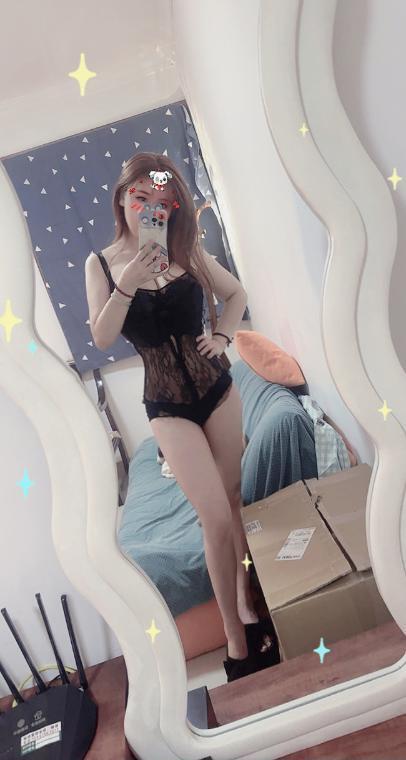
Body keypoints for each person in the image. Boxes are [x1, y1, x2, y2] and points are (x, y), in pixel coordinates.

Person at [85, 152, 278, 681]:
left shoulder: (185, 248)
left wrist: (223, 336)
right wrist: (128, 280)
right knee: (213, 517)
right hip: (166, 403)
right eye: (140, 197)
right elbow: (102, 337)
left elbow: (235, 292)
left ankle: (246, 599)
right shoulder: (101, 264)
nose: (151, 208)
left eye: (163, 201)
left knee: (233, 501)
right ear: (122, 198)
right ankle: (236, 641)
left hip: (217, 389)